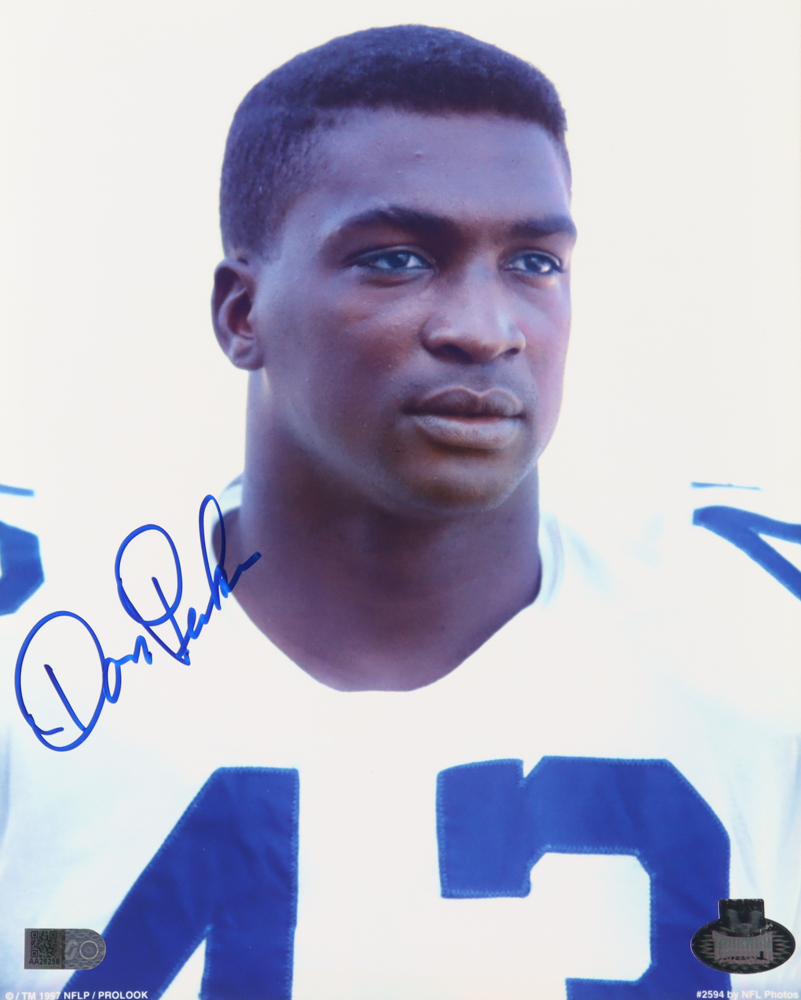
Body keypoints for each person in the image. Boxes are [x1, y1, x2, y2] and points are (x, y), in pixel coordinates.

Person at [3, 24, 801, 1000]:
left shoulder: (754, 627)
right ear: (242, 314)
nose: (484, 329)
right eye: (397, 259)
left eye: (533, 263)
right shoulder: (36, 636)